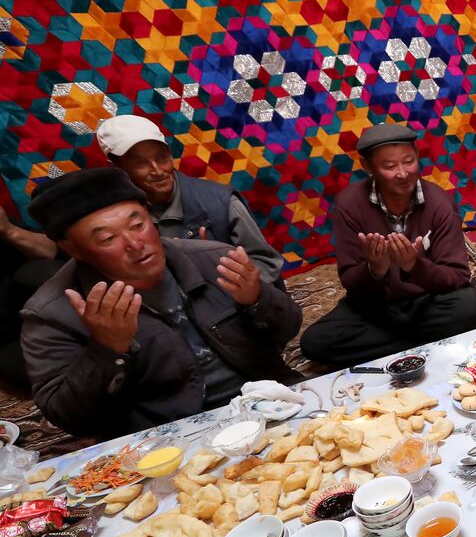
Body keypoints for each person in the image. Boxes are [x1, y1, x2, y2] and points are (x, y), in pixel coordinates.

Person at [20, 168, 303, 439]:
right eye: (108, 238)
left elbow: (288, 329)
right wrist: (108, 350)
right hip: (169, 438)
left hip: (271, 403)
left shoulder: (214, 259)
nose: (134, 243)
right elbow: (72, 419)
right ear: (73, 249)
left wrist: (257, 300)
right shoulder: (52, 313)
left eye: (138, 225)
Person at [299, 123, 476, 367]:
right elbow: (350, 280)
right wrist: (374, 269)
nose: (402, 173)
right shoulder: (349, 205)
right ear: (368, 167)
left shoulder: (439, 203)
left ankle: (389, 348)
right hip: (375, 307)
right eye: (389, 166)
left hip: (427, 301)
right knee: (315, 342)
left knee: (468, 307)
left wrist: (414, 266)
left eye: (408, 161)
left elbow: (457, 276)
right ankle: (422, 346)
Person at [95, 115, 282, 283]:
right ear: (117, 168)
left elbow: (266, 264)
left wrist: (217, 270)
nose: (158, 170)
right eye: (141, 163)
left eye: (162, 158)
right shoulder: (116, 220)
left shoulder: (221, 202)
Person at [0, 208, 64, 388]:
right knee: (53, 374)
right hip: (7, 339)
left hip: (30, 314)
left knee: (49, 271)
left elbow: (52, 251)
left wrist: (8, 230)